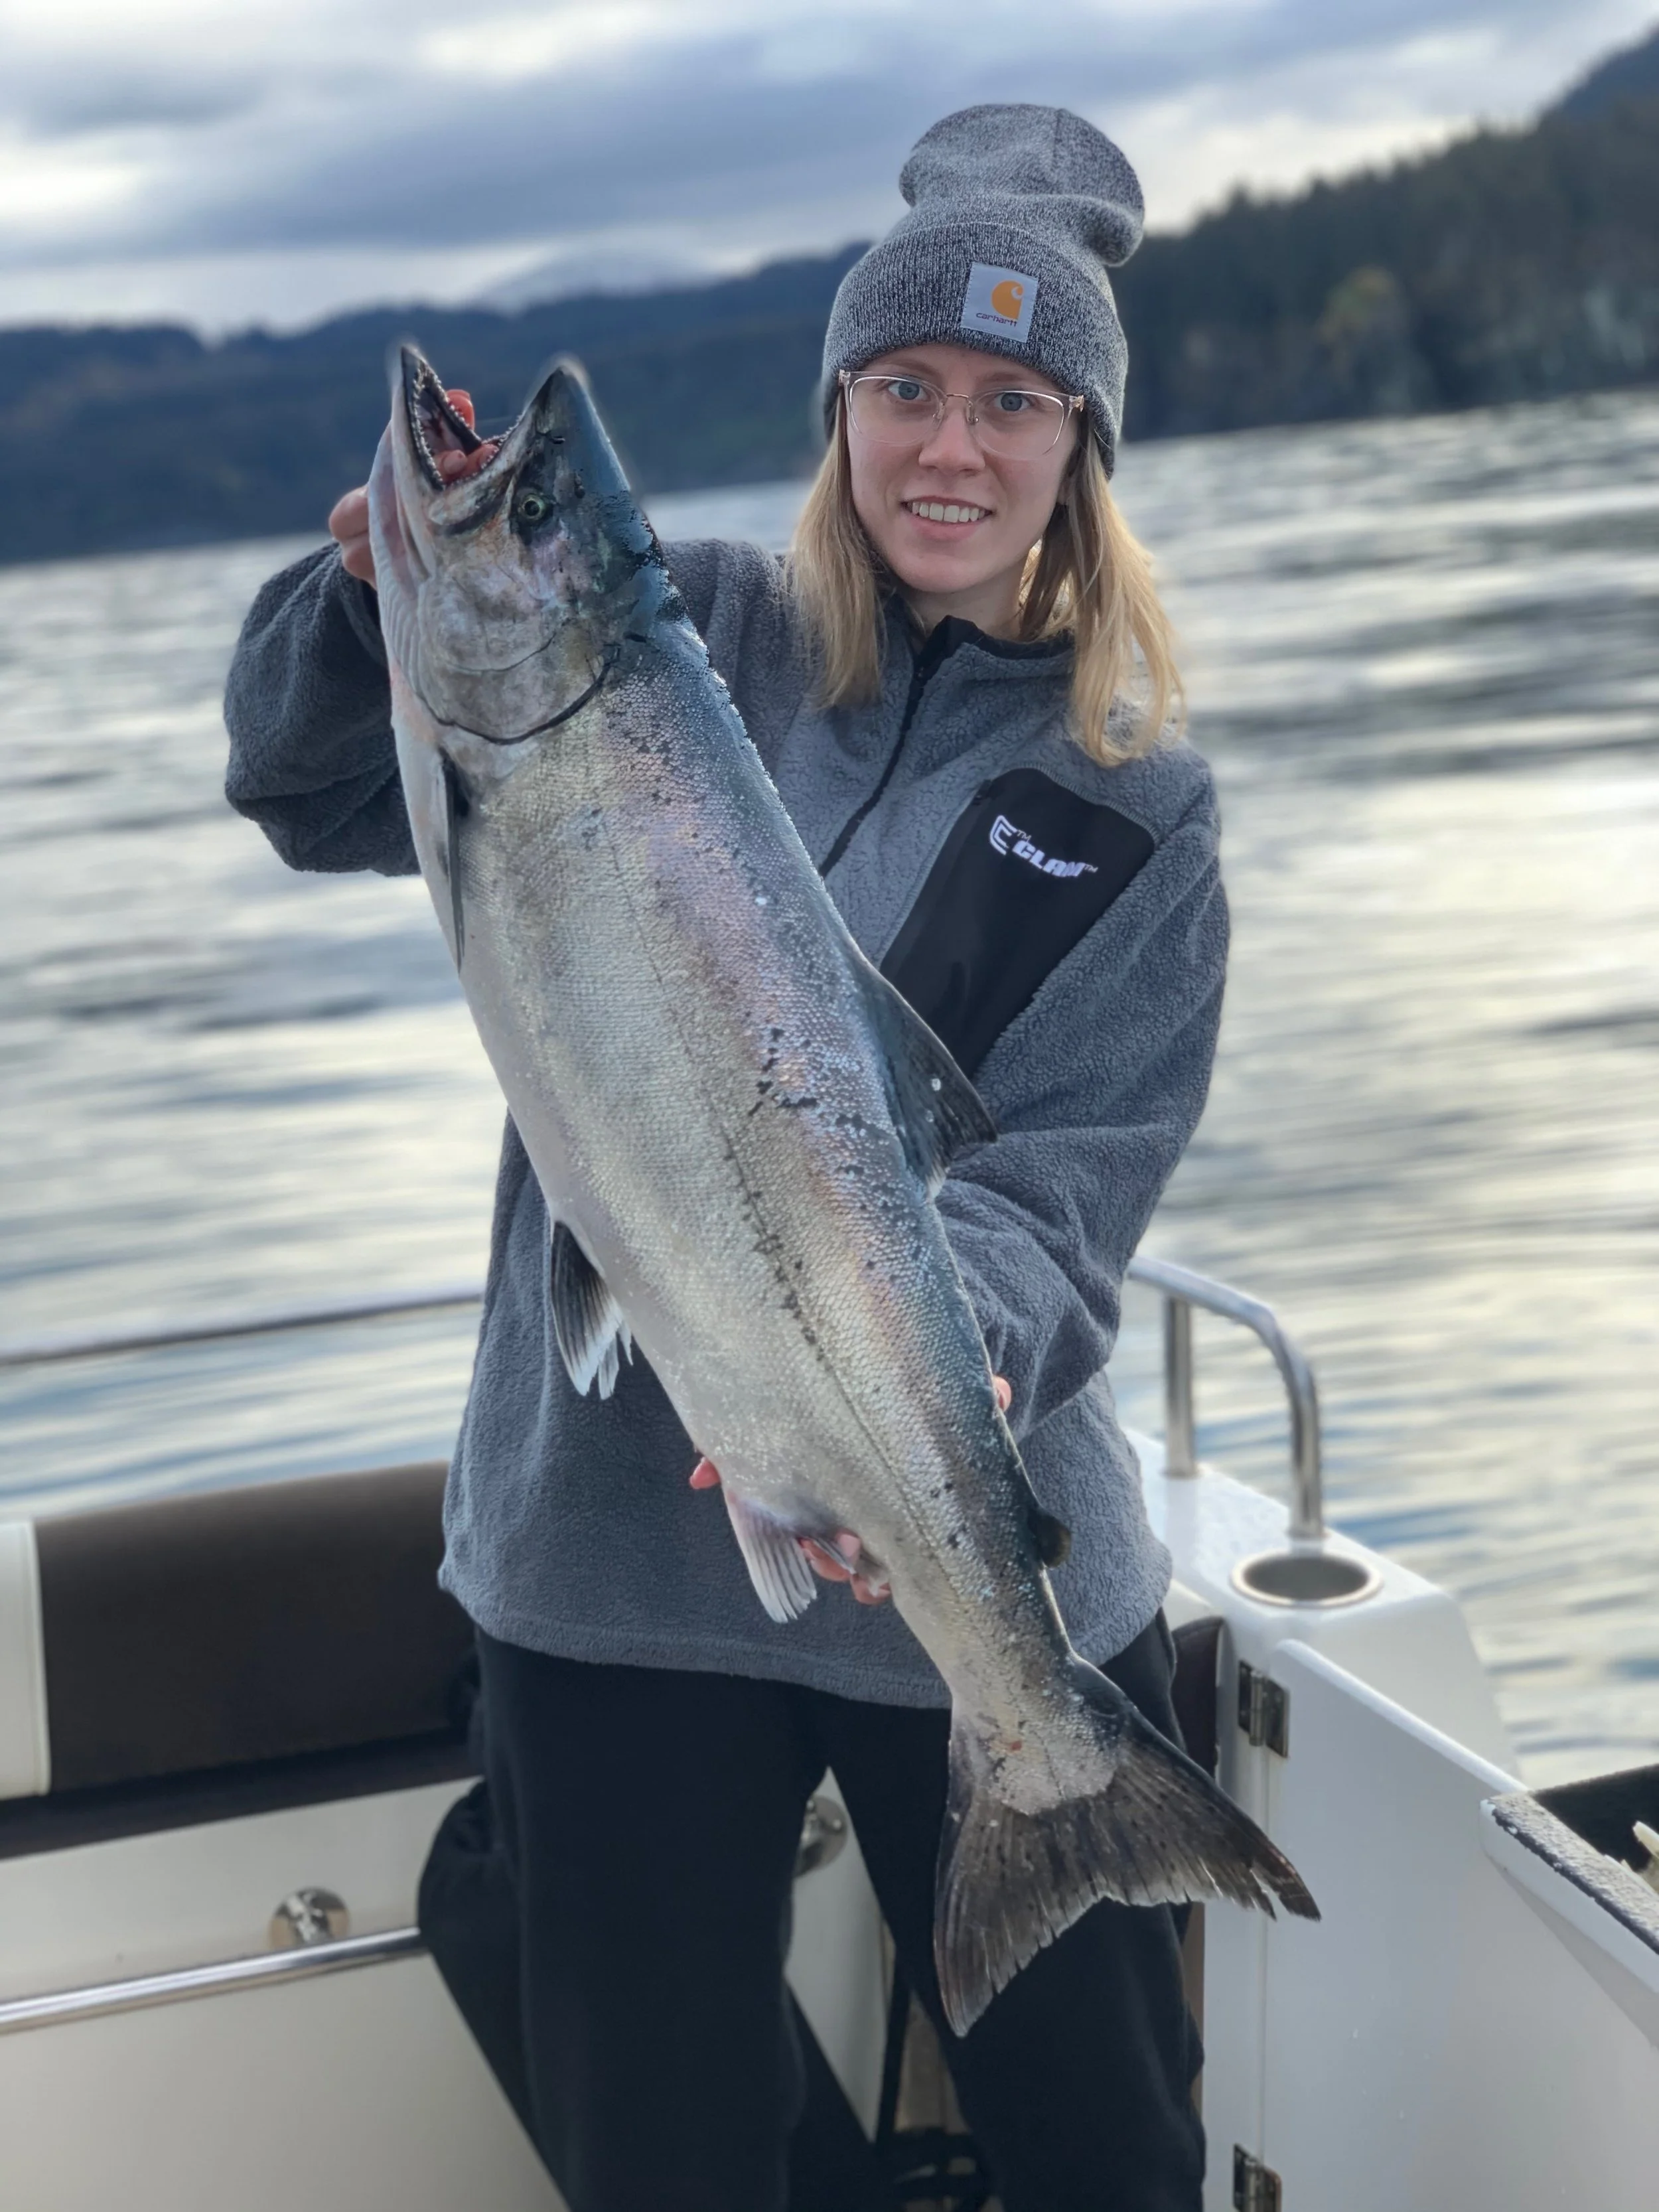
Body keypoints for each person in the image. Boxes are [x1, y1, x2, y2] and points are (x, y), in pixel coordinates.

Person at [224, 102, 1223, 2212]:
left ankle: (1054, 1776)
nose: (950, 449)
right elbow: (303, 789)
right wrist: (364, 601)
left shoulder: (1138, 804)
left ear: (1079, 449)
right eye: (906, 389)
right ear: (844, 409)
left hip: (971, 1546)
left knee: (1111, 2158)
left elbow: (1060, 1184)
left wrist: (913, 1400)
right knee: (665, 2162)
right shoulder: (662, 634)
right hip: (609, 1567)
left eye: (1011, 403)